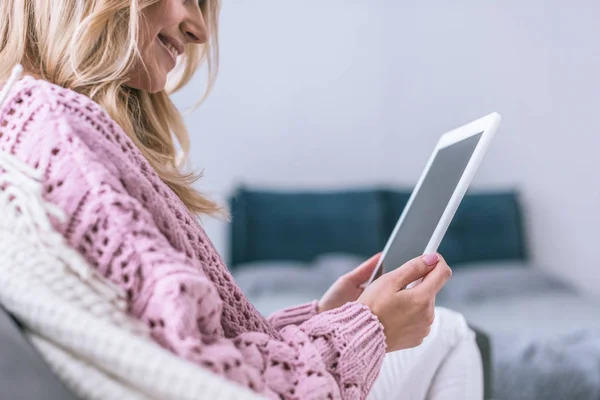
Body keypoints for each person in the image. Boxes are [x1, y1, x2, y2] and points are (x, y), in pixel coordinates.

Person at [0, 1, 482, 399]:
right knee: (450, 333)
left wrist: (322, 317)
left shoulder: (44, 127)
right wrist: (366, 328)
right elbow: (204, 377)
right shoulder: (62, 134)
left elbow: (189, 339)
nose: (198, 31)